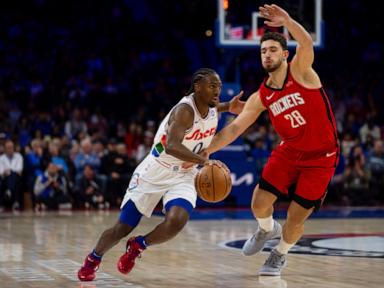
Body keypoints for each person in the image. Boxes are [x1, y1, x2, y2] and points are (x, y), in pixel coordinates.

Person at [205, 4, 339, 276]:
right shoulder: (262, 96)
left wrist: (287, 20)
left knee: (295, 217)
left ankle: (280, 254)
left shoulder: (301, 70)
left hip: (321, 158)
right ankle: (267, 229)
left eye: (273, 49)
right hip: (289, 152)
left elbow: (306, 41)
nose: (267, 54)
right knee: (258, 203)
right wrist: (205, 152)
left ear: (285, 54)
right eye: (263, 51)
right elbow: (233, 130)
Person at [78, 68, 244, 281]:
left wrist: (229, 106)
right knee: (123, 227)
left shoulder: (210, 107)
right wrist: (205, 160)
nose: (217, 91)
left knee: (177, 220)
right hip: (156, 171)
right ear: (197, 86)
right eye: (212, 86)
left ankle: (138, 246)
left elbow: (213, 109)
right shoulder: (184, 110)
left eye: (219, 86)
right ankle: (93, 259)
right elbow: (172, 146)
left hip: (184, 174)